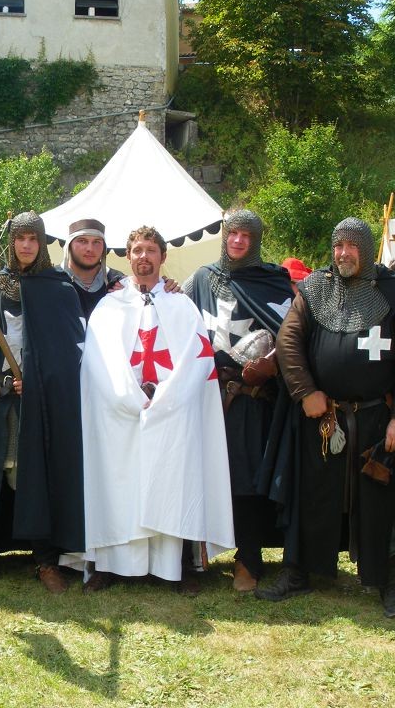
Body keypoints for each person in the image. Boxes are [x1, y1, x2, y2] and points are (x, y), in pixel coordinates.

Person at [257, 218, 395, 618]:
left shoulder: (391, 291)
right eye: (338, 246)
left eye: (351, 246)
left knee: (379, 499)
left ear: (365, 250)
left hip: (376, 417)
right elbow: (288, 340)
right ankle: (299, 570)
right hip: (324, 418)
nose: (343, 253)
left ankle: (388, 580)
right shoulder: (316, 288)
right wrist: (305, 391)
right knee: (312, 494)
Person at [66, 226, 235, 593]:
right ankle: (109, 566)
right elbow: (98, 361)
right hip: (120, 414)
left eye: (151, 250)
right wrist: (129, 397)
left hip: (171, 412)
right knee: (118, 484)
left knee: (172, 483)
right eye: (137, 250)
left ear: (163, 256)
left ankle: (174, 567)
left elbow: (197, 359)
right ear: (128, 257)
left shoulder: (181, 305)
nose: (144, 256)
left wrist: (163, 398)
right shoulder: (109, 306)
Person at [0, 212, 85, 593]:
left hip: (33, 405)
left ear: (41, 243)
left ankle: (45, 561)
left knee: (35, 479)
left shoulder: (59, 288)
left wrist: (39, 382)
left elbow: (69, 354)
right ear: (11, 243)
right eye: (20, 239)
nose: (26, 246)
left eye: (32, 239)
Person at [186, 209, 293, 591]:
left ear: (255, 240)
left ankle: (248, 558)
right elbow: (177, 316)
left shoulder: (273, 282)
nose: (237, 241)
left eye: (246, 235)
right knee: (199, 473)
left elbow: (292, 334)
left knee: (246, 480)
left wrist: (272, 364)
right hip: (206, 392)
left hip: (249, 398)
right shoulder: (202, 279)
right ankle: (194, 557)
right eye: (232, 233)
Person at [59, 218, 125, 318]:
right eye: (82, 241)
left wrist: (128, 297)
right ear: (69, 245)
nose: (90, 248)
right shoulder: (51, 280)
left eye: (96, 242)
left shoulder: (118, 282)